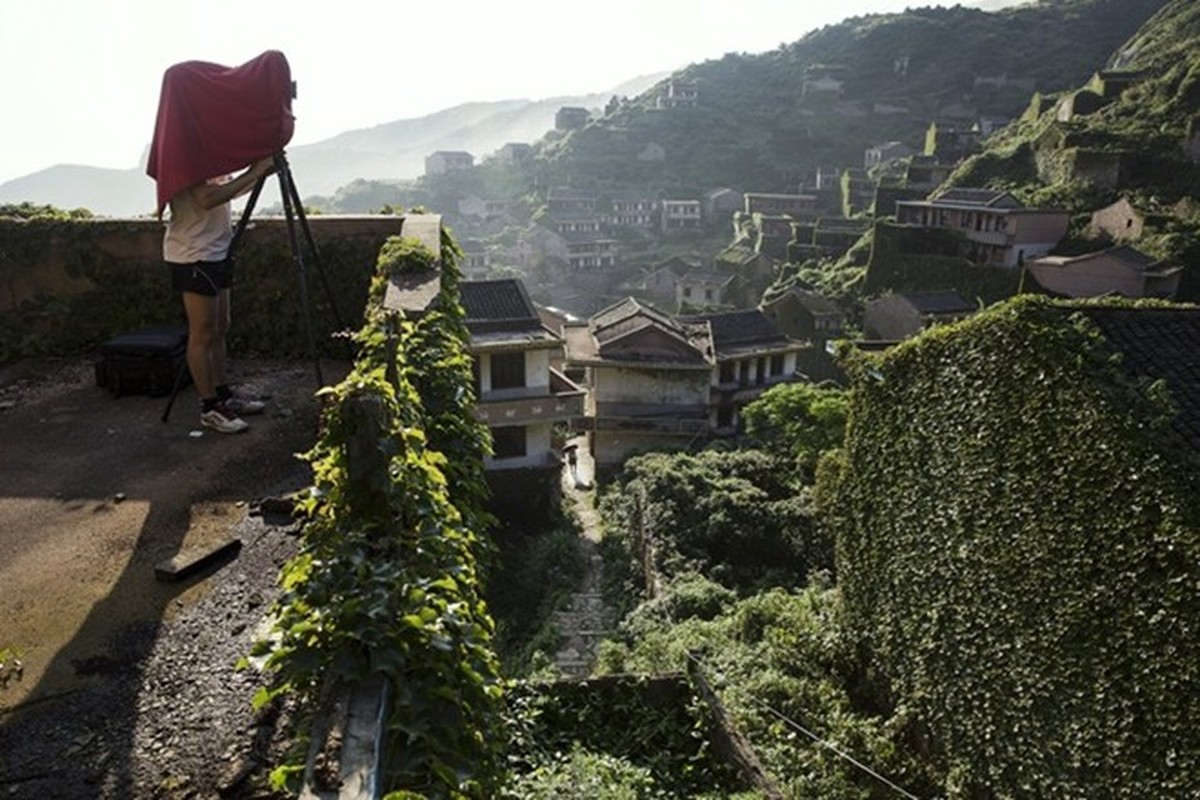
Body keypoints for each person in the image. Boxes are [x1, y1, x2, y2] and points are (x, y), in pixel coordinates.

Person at [163, 156, 275, 434]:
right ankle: (209, 407)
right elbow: (205, 198)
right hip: (193, 254)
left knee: (220, 327)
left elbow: (230, 190)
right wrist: (255, 172)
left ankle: (223, 394)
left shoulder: (211, 155)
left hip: (217, 250)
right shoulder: (187, 157)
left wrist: (258, 172)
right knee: (202, 332)